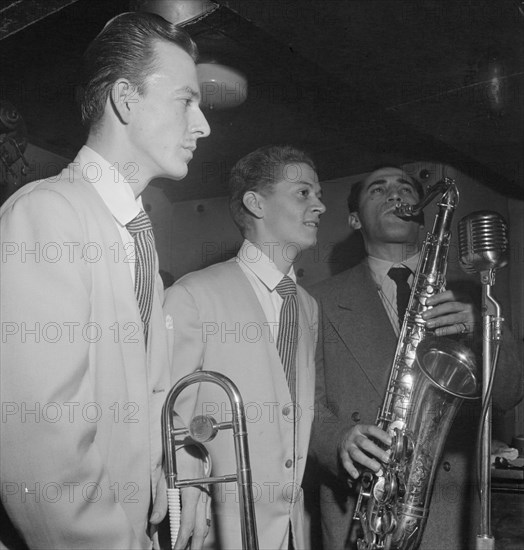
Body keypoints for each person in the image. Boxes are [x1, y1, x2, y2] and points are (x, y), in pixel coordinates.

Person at [0, 12, 210, 550]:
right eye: (186, 100)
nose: (203, 124)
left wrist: (152, 476)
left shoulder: (136, 235)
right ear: (125, 98)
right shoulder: (46, 214)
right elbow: (42, 446)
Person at [308, 166, 523, 549]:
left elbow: (508, 395)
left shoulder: (473, 294)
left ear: (422, 212)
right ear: (355, 219)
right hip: (364, 512)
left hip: (452, 516)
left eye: (405, 187)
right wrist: (339, 440)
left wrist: (486, 328)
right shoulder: (317, 299)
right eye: (378, 189)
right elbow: (303, 405)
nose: (396, 195)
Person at [163, 145, 326, 550]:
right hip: (216, 531)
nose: (320, 206)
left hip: (292, 533)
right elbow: (167, 415)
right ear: (255, 203)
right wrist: (192, 490)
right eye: (304, 193)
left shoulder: (307, 307)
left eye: (319, 194)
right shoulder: (192, 295)